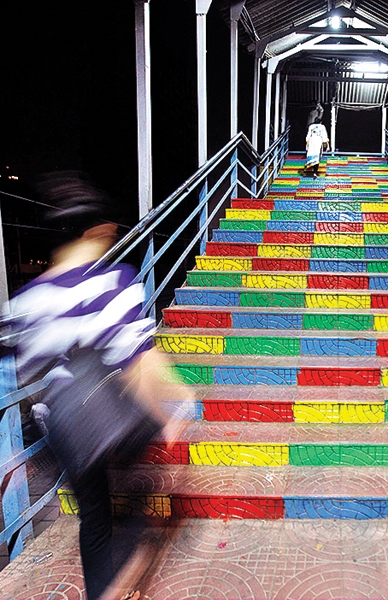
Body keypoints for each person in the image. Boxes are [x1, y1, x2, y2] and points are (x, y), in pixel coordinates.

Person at [4, 173, 190, 600]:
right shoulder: (111, 284)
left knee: (95, 515)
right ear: (101, 230)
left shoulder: (27, 300)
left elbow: (23, 371)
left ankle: (100, 591)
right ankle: (122, 582)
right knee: (146, 491)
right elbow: (140, 363)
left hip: (62, 429)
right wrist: (176, 408)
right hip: (109, 422)